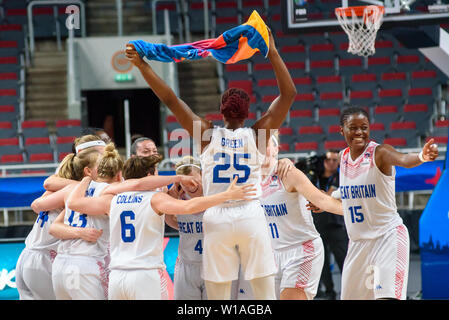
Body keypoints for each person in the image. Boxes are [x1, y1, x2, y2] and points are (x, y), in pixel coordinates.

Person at [125, 28, 297, 299]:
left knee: (217, 296)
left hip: (215, 218)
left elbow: (170, 98)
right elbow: (288, 95)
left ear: (221, 110)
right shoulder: (258, 134)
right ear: (248, 113)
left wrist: (142, 66)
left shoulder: (206, 134)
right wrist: (272, 52)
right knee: (263, 293)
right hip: (250, 213)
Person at [66, 155, 257, 300]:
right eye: (156, 172)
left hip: (117, 276)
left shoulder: (111, 199)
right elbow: (189, 207)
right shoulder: (156, 199)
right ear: (150, 175)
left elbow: (73, 202)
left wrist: (86, 179)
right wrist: (225, 196)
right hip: (145, 274)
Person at [310, 106, 439, 300]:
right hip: (358, 244)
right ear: (341, 130)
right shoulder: (344, 158)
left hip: (387, 237)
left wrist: (421, 157)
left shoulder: (380, 152)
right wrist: (326, 200)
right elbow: (347, 193)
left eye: (364, 127)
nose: (360, 132)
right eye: (353, 127)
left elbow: (403, 159)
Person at [236, 134, 343, 300]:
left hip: (301, 250)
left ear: (276, 149)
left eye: (266, 145)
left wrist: (360, 211)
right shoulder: (249, 179)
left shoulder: (288, 173)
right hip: (271, 254)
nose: (261, 149)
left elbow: (323, 201)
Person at [309, 149, 349, 300]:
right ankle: (329, 291)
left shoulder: (341, 177)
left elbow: (325, 198)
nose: (331, 163)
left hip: (336, 226)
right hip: (318, 225)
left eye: (334, 160)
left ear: (338, 163)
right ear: (323, 161)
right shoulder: (314, 176)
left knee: (344, 260)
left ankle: (349, 291)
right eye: (328, 160)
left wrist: (317, 196)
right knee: (322, 263)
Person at [165, 156, 207, 300]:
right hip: (186, 264)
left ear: (202, 174)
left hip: (213, 263)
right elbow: (169, 219)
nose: (191, 186)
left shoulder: (213, 194)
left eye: (194, 180)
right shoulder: (178, 198)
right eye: (185, 184)